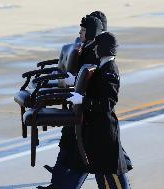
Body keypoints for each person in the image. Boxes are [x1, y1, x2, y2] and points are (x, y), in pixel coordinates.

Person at [37, 15, 104, 189]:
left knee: (89, 156)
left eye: (82, 31)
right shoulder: (87, 48)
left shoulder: (94, 53)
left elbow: (90, 83)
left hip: (88, 112)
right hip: (80, 107)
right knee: (68, 142)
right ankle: (57, 183)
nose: (79, 33)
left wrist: (73, 82)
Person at [66, 31, 132, 189]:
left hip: (105, 132)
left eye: (97, 47)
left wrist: (83, 101)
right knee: (102, 176)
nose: (95, 50)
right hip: (98, 130)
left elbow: (107, 104)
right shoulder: (103, 67)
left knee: (115, 179)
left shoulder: (110, 71)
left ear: (104, 49)